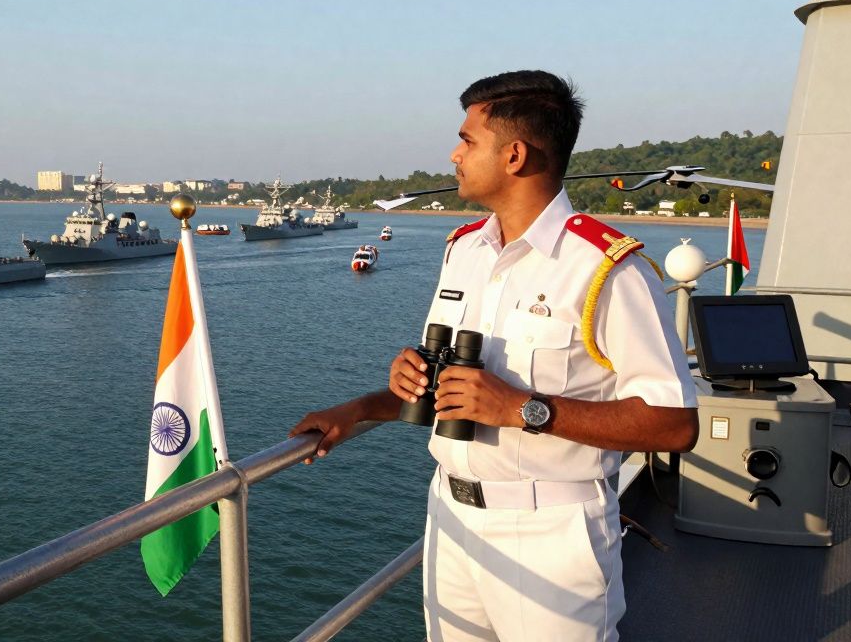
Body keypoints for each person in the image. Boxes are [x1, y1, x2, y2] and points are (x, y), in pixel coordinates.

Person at [289, 70, 698, 642]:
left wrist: (522, 409)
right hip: (451, 520)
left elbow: (675, 425)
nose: (454, 154)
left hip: (550, 533)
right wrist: (361, 409)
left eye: (467, 139)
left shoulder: (606, 268)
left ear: (514, 155)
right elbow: (455, 395)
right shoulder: (465, 252)